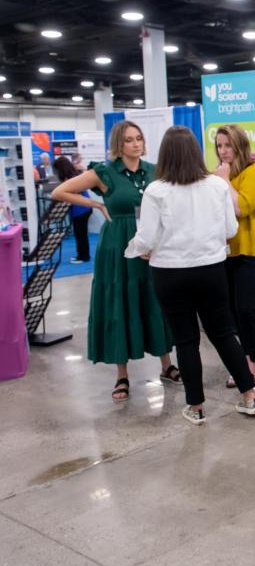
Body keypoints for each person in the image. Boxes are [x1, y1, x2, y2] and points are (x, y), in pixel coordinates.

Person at [125, 126, 255, 425]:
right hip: (211, 270)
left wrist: (138, 250)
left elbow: (146, 237)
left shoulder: (156, 190)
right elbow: (230, 230)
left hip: (169, 273)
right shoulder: (216, 186)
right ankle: (249, 396)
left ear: (165, 154)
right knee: (223, 333)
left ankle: (197, 407)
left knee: (186, 340)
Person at [52, 120, 178, 402]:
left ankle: (167, 365)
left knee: (152, 299)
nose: (136, 144)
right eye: (129, 140)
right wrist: (95, 204)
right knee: (119, 300)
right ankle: (122, 375)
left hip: (150, 243)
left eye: (139, 138)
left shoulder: (154, 171)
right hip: (117, 245)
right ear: (118, 145)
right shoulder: (104, 172)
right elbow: (60, 191)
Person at [213, 124, 255, 396]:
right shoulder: (218, 175)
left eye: (228, 145)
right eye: (218, 146)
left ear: (239, 146)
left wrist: (224, 181)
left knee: (250, 309)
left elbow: (241, 208)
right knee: (234, 312)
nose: (223, 151)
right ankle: (244, 367)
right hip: (226, 251)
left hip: (252, 249)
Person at [52, 156, 92, 263]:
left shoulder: (71, 178)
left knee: (80, 234)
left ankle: (83, 256)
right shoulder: (74, 175)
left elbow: (75, 193)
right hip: (83, 208)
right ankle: (83, 255)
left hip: (81, 209)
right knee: (80, 233)